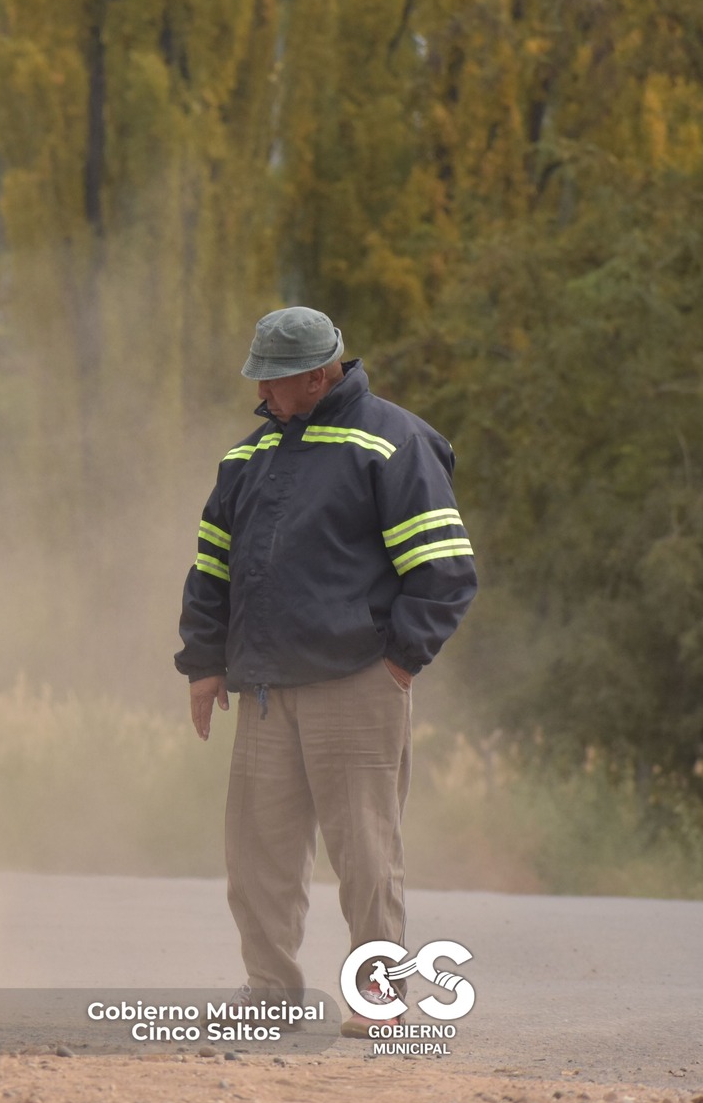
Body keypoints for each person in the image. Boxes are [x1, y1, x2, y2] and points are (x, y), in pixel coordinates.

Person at [175, 306, 477, 1038]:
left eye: (274, 381)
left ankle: (378, 998)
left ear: (320, 374)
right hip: (268, 689)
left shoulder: (393, 441)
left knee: (366, 856)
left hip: (357, 682)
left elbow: (444, 570)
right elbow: (212, 566)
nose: (262, 393)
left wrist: (398, 665)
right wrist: (204, 663)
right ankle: (270, 990)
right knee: (256, 856)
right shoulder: (248, 457)